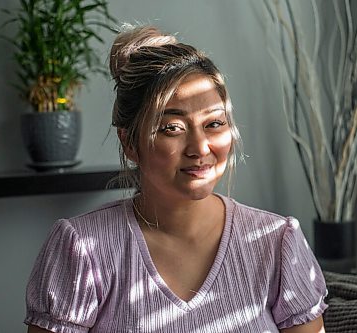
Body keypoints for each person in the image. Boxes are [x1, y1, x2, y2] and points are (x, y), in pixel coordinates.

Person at [24, 25, 328, 333]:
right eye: (172, 128)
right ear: (130, 143)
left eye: (214, 123)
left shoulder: (277, 243)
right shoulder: (83, 248)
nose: (199, 148)